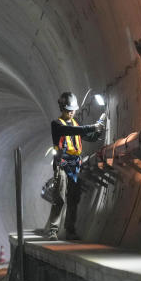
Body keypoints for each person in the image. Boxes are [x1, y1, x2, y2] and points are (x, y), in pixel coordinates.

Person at [42, 91, 106, 240]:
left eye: (73, 110)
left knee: (73, 197)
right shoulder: (57, 124)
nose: (71, 112)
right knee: (59, 198)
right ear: (62, 109)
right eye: (68, 110)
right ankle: (53, 231)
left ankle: (70, 230)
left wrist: (98, 129)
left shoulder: (76, 124)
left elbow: (88, 136)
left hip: (75, 164)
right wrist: (91, 127)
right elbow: (72, 130)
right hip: (62, 163)